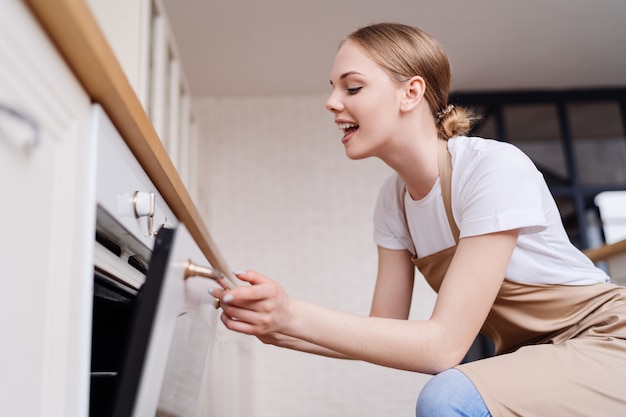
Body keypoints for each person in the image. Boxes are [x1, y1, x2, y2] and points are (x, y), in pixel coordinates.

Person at [208, 22, 626, 416]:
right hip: (540, 355)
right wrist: (277, 327)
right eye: (334, 89)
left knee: (448, 397)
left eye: (352, 87)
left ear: (411, 93)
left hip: (607, 342)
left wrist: (293, 315)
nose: (331, 102)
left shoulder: (492, 168)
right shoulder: (393, 202)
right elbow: (382, 331)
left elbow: (441, 348)